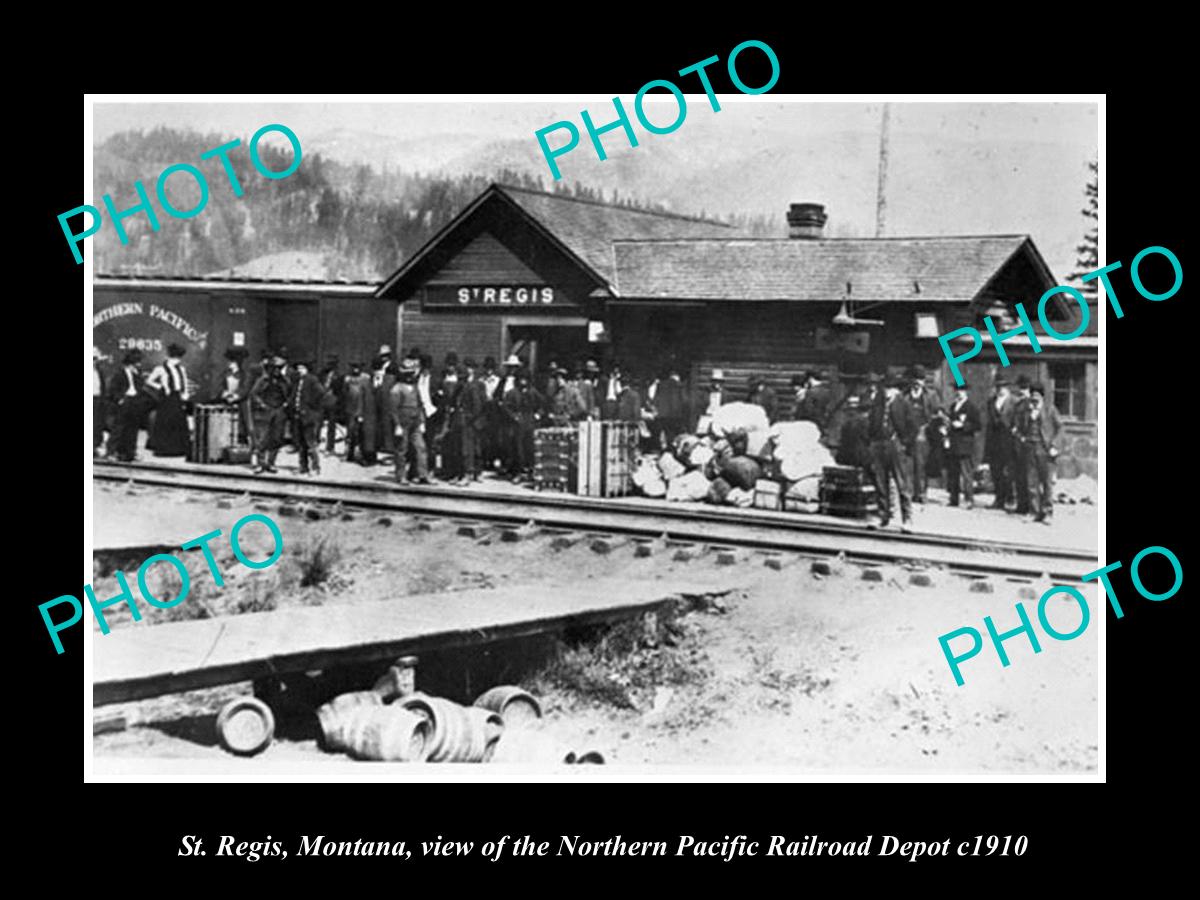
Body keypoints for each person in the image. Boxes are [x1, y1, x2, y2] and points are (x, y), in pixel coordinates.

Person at [868, 374, 915, 531]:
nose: (888, 392)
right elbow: (872, 422)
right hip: (879, 444)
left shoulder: (904, 404)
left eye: (891, 389)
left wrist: (904, 443)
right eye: (886, 388)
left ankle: (907, 519)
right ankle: (882, 516)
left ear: (897, 390)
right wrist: (872, 441)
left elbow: (912, 426)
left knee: (902, 483)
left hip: (895, 444)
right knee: (880, 482)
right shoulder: (878, 403)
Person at [1014, 382, 1062, 523]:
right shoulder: (1025, 410)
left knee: (1047, 482)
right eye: (1032, 395)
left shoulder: (1050, 410)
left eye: (1037, 396)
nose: (1034, 399)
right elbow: (1016, 428)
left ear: (1042, 396)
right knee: (1031, 482)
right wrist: (1021, 437)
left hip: (1045, 450)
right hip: (1029, 449)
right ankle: (1033, 511)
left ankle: (1047, 512)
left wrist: (1054, 445)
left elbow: (1060, 428)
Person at [902, 365, 941, 504]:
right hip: (907, 433)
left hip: (923, 432)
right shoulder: (905, 395)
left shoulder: (931, 395)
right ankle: (909, 492)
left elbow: (937, 413)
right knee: (908, 464)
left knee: (921, 464)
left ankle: (922, 492)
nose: (918, 382)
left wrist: (929, 427)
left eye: (921, 379)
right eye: (915, 379)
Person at [145, 343, 191, 457]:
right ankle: (165, 449)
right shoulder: (160, 369)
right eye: (175, 359)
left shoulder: (181, 369)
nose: (177, 361)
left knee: (178, 423)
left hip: (177, 397)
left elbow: (184, 382)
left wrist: (185, 394)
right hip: (166, 398)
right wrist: (160, 387)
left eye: (178, 358)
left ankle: (179, 449)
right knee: (166, 423)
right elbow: (149, 381)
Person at [389, 357, 429, 485]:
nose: (409, 376)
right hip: (402, 422)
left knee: (421, 447)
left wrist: (422, 421)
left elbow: (420, 405)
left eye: (411, 373)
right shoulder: (397, 389)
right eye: (406, 374)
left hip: (415, 421)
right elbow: (393, 409)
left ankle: (423, 475)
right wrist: (397, 425)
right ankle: (400, 475)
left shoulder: (415, 388)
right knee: (402, 449)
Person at [944, 381, 981, 508]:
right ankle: (954, 499)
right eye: (957, 390)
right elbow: (950, 421)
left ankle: (969, 499)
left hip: (965, 445)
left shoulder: (971, 407)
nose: (958, 393)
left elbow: (978, 425)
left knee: (966, 473)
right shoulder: (953, 406)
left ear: (966, 392)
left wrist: (963, 426)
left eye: (961, 390)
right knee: (953, 473)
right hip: (954, 444)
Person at [250, 355, 289, 473]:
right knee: (262, 439)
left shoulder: (285, 381)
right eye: (275, 367)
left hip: (279, 412)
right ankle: (261, 463)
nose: (277, 370)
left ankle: (271, 463)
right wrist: (262, 405)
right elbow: (254, 394)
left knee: (276, 438)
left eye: (279, 367)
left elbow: (289, 394)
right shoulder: (263, 380)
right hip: (265, 412)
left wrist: (285, 405)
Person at [502, 370, 544, 480]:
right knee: (518, 448)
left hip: (530, 422)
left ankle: (531, 471)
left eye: (525, 378)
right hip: (518, 424)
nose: (523, 381)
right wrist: (514, 416)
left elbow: (542, 405)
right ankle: (518, 473)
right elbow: (506, 407)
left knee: (530, 448)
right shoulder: (512, 393)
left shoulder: (533, 392)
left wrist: (537, 415)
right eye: (521, 378)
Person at [985, 376, 1017, 510]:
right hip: (995, 441)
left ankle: (1010, 498)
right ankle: (999, 499)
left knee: (1009, 471)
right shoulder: (991, 402)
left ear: (1007, 388)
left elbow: (1017, 420)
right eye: (998, 386)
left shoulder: (1014, 402)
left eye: (1003, 386)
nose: (1000, 389)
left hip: (1009, 440)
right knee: (996, 471)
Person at [289, 359, 326, 475]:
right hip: (298, 415)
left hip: (309, 416)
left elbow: (321, 392)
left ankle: (315, 467)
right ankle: (303, 466)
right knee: (301, 444)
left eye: (302, 368)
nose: (299, 370)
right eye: (298, 368)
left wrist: (311, 406)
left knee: (311, 443)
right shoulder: (298, 380)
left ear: (307, 369)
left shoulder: (312, 380)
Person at [458, 359, 488, 483]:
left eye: (469, 368)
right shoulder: (466, 383)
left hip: (471, 421)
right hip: (477, 421)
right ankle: (477, 472)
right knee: (475, 446)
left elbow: (478, 404)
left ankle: (469, 474)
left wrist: (468, 417)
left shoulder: (475, 385)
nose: (467, 370)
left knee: (469, 448)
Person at [218, 348, 252, 446]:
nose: (230, 364)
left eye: (232, 362)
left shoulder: (244, 374)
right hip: (227, 400)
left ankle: (242, 442)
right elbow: (220, 385)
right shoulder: (225, 373)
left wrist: (236, 396)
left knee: (241, 423)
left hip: (240, 402)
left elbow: (245, 388)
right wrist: (225, 394)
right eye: (230, 362)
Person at [1010, 375, 1033, 514]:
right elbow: (1014, 421)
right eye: (1021, 388)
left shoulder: (1031, 404)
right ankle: (1021, 505)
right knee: (1018, 476)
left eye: (1025, 388)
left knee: (1028, 477)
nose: (1022, 391)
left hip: (1027, 443)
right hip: (1017, 443)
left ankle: (1030, 506)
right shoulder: (1018, 404)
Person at [652, 363, 688, 449]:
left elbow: (655, 400)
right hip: (676, 415)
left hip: (663, 415)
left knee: (665, 433)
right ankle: (672, 450)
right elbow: (685, 400)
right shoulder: (680, 386)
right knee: (675, 435)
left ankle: (665, 449)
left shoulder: (660, 385)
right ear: (677, 376)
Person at [342, 361, 369, 463]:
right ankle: (349, 453)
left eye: (358, 367)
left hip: (362, 408)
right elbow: (344, 393)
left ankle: (361, 454)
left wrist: (363, 411)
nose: (355, 369)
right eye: (353, 367)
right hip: (350, 409)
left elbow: (367, 395)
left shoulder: (365, 378)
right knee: (350, 432)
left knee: (360, 433)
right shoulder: (347, 379)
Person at [372, 352, 397, 461]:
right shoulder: (373, 378)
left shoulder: (389, 378)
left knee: (387, 425)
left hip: (387, 405)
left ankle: (388, 447)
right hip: (376, 406)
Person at [319, 355, 344, 454]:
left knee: (331, 425)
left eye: (331, 364)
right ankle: (315, 444)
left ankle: (330, 447)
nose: (328, 366)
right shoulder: (322, 374)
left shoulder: (339, 375)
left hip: (333, 401)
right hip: (322, 400)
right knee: (318, 423)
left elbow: (340, 391)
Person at [93, 348, 110, 455]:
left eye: (95, 359)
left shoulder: (99, 371)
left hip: (97, 400)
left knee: (97, 424)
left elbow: (102, 386)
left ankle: (94, 446)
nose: (94, 361)